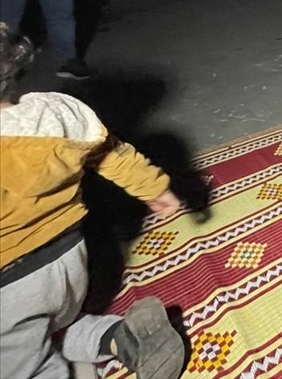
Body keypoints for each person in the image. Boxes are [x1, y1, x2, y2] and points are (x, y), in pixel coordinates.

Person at [0, 23, 185, 378]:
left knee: (22, 362)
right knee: (38, 328)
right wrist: (156, 189)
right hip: (70, 263)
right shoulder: (57, 112)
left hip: (9, 285)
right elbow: (112, 154)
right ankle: (120, 337)